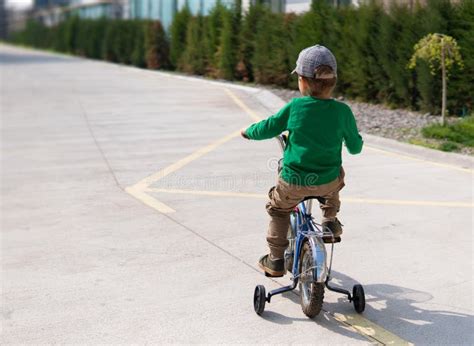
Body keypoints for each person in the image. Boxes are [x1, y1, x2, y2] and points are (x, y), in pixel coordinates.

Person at [241, 45, 363, 277]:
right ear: (333, 81)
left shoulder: (295, 107)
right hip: (326, 181)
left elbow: (268, 127)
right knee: (337, 175)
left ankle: (276, 260)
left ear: (302, 81)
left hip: (294, 181)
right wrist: (355, 141)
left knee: (278, 209)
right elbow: (355, 148)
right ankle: (330, 221)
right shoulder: (342, 111)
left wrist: (249, 131)